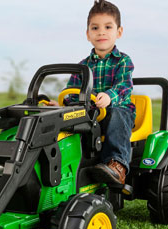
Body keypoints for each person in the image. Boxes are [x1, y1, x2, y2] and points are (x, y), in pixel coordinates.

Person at [48, 0, 135, 185]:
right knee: (67, 118)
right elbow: (72, 92)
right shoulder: (82, 66)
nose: (101, 32)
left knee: (116, 115)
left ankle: (116, 165)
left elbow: (124, 87)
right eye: (95, 28)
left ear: (119, 32)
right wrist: (62, 106)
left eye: (108, 27)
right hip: (90, 115)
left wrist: (110, 96)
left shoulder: (123, 61)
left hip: (118, 112)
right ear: (88, 34)